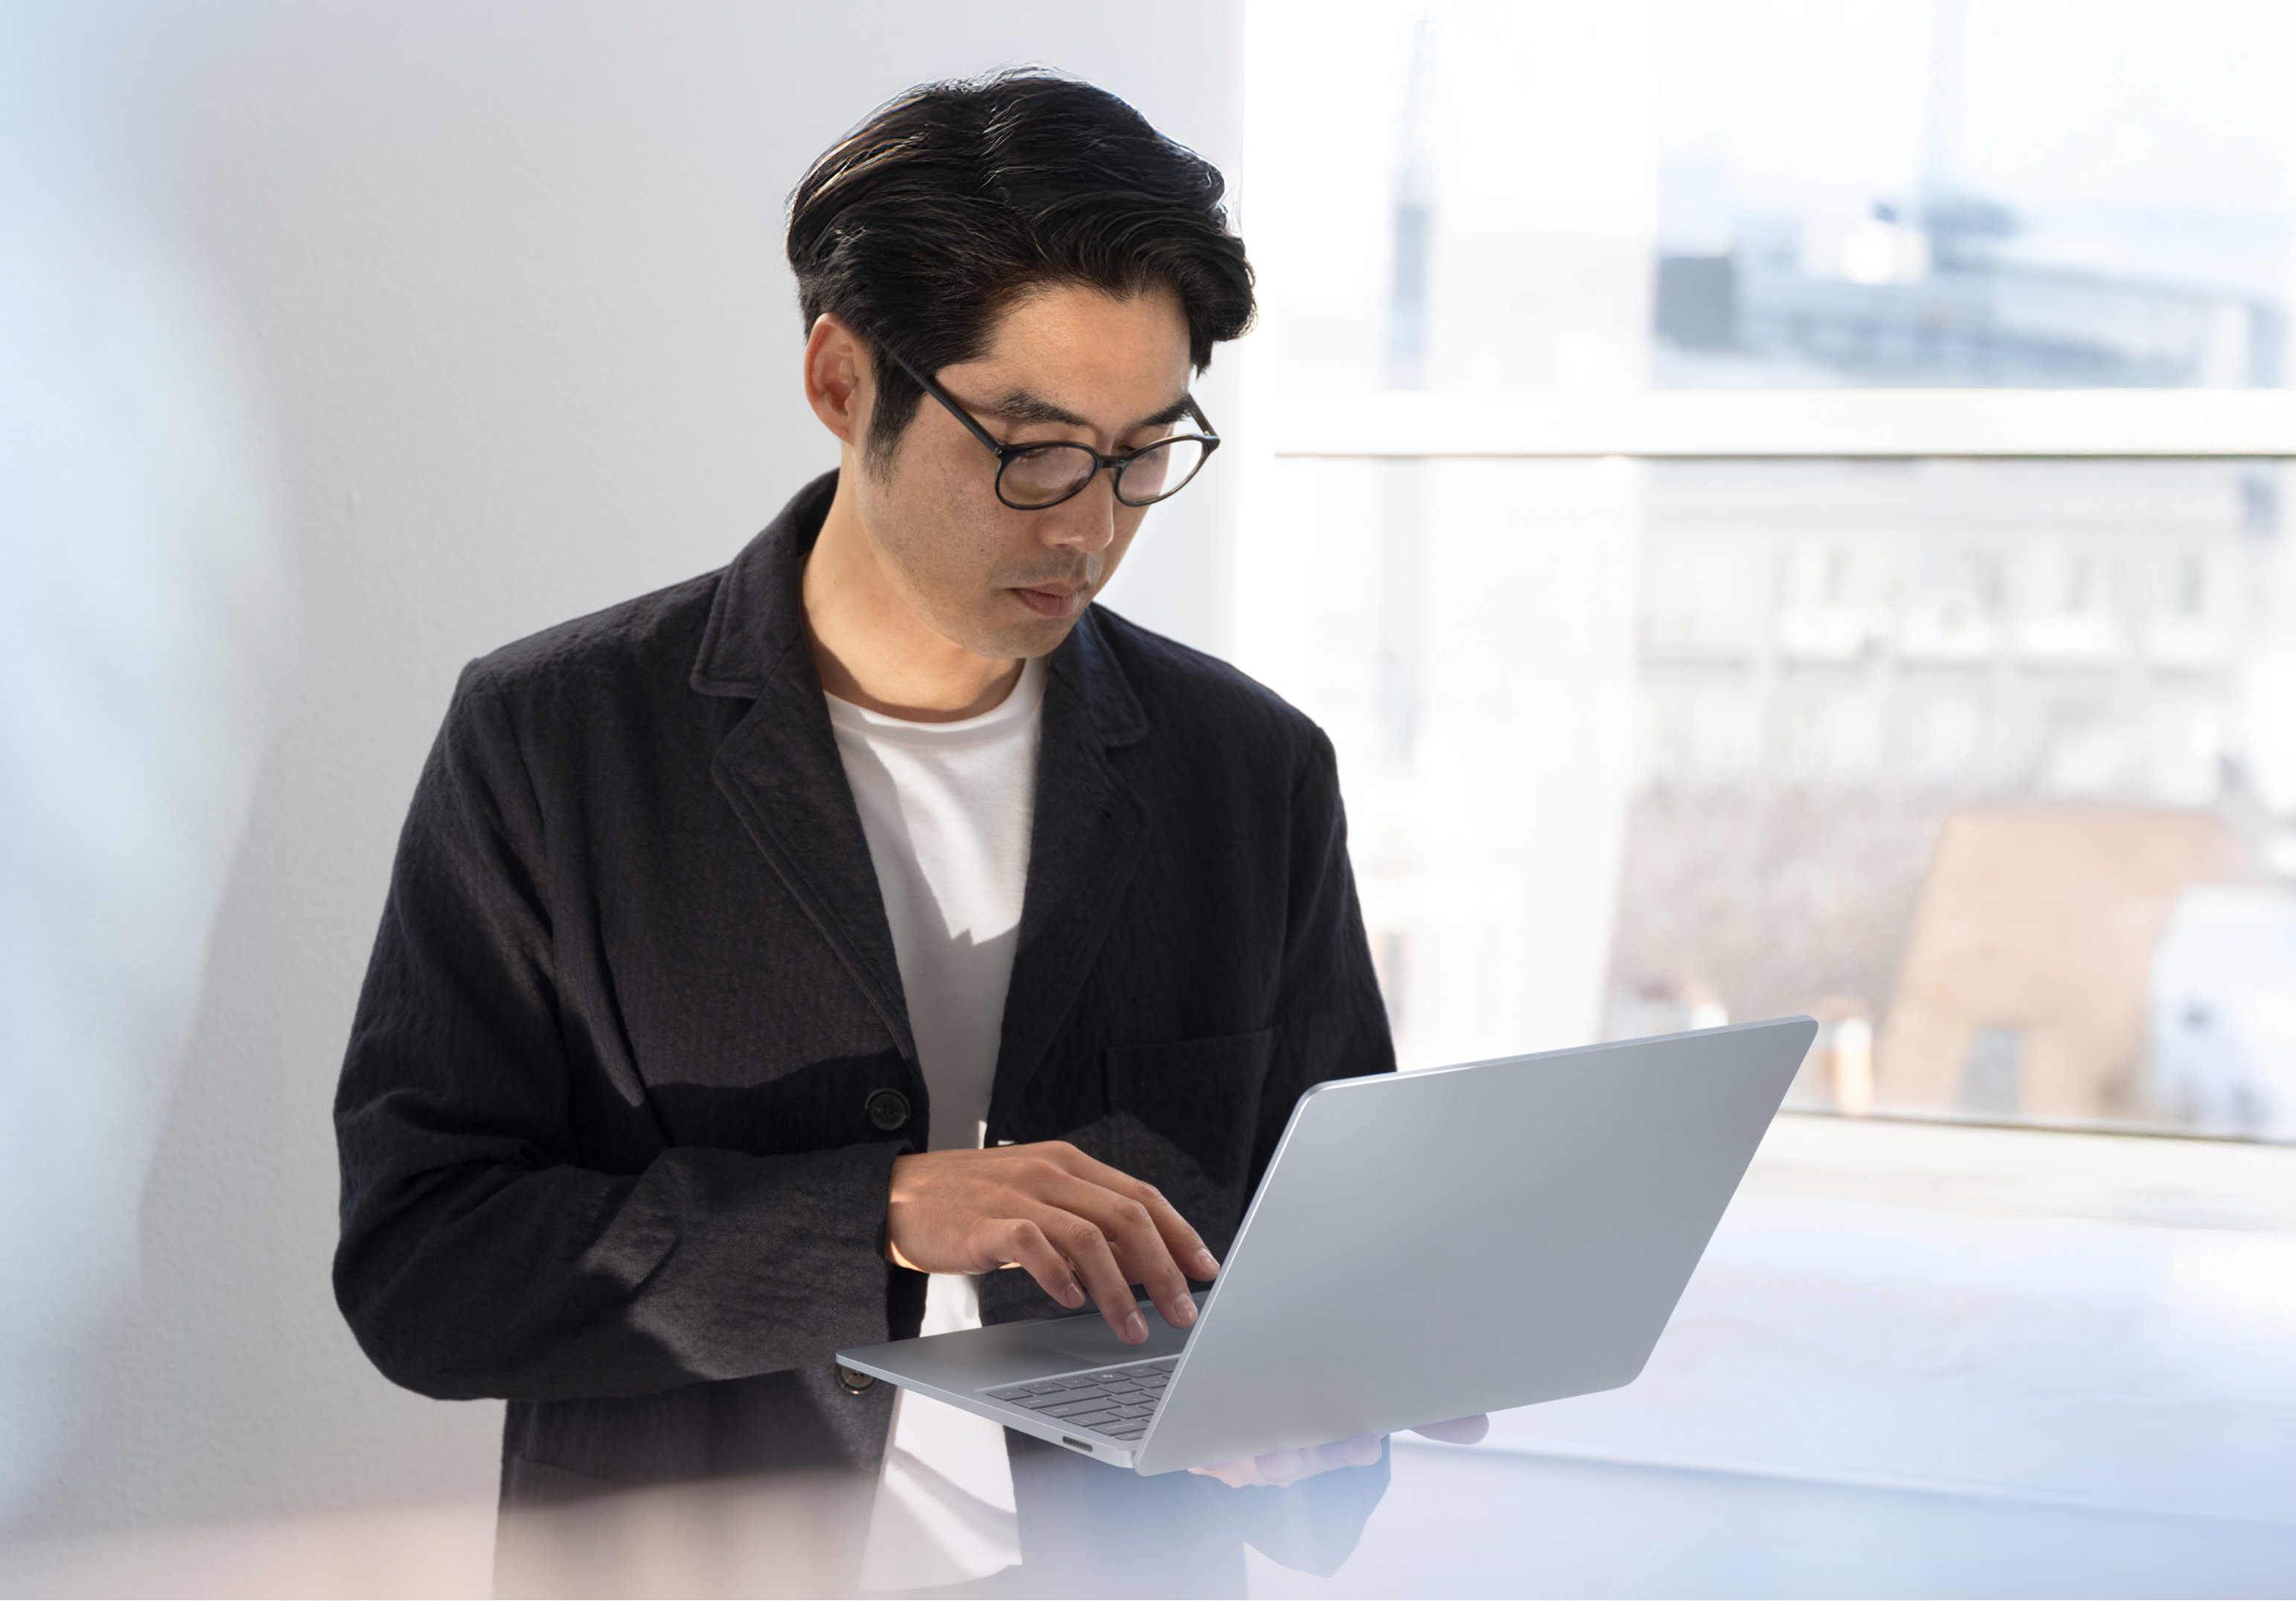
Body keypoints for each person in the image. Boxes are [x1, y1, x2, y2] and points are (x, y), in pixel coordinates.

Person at [332, 70, 1472, 1598]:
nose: (1089, 523)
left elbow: (1320, 1267)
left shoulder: (1248, 769)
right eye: (1033, 443)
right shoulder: (556, 738)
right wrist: (877, 1217)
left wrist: (1321, 1426)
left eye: (1146, 451)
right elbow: (426, 1268)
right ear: (840, 378)